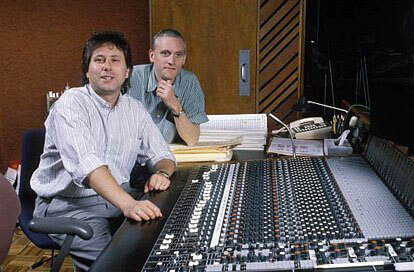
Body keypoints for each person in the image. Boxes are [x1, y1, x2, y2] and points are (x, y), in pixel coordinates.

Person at [30, 31, 176, 271]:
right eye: (99, 60)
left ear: (127, 71)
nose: (107, 67)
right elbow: (88, 165)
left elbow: (163, 156)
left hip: (118, 199)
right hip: (67, 205)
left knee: (158, 245)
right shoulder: (70, 103)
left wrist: (162, 173)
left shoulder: (134, 109)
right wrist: (128, 205)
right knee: (116, 264)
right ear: (87, 71)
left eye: (115, 60)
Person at [128, 29, 208, 146]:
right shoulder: (131, 78)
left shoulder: (189, 82)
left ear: (184, 59)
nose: (171, 61)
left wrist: (175, 106)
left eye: (178, 55)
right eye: (165, 53)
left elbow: (192, 139)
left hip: (172, 158)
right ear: (152, 55)